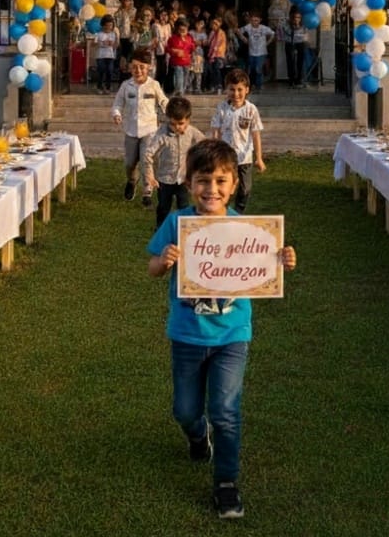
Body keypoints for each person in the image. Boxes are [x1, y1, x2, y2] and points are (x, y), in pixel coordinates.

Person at [147, 138, 297, 521]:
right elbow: (151, 266)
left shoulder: (248, 230)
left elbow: (266, 267)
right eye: (202, 181)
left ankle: (226, 483)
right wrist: (164, 261)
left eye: (219, 181)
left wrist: (282, 258)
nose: (211, 189)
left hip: (232, 335)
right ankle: (197, 437)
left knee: (225, 411)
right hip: (186, 333)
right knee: (185, 410)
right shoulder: (177, 222)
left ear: (233, 185)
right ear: (188, 182)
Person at [111, 48, 168, 206]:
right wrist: (116, 114)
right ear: (130, 67)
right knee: (130, 163)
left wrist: (172, 113)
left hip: (149, 130)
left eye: (142, 67)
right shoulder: (126, 85)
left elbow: (164, 102)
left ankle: (147, 190)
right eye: (135, 67)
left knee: (146, 160)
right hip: (130, 130)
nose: (138, 70)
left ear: (149, 67)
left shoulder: (154, 85)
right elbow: (117, 103)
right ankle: (131, 181)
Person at [142, 95, 205, 227]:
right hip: (164, 179)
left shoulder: (192, 132)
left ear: (188, 120)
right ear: (167, 119)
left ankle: (184, 233)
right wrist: (150, 176)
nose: (176, 127)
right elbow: (148, 154)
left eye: (180, 124)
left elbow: (205, 144)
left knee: (184, 207)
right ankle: (160, 233)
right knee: (164, 208)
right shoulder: (162, 133)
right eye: (172, 123)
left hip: (183, 179)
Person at [210, 68, 265, 212]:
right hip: (226, 157)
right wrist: (214, 152)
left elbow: (255, 134)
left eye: (240, 89)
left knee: (245, 188)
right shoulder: (222, 108)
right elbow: (216, 130)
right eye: (232, 89)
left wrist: (259, 158)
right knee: (225, 186)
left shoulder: (251, 109)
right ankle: (223, 210)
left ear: (247, 90)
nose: (236, 94)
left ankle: (239, 212)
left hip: (244, 157)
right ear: (226, 90)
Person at [238, 11, 275, 91]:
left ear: (260, 20)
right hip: (252, 52)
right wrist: (244, 39)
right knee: (252, 69)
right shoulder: (248, 27)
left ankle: (259, 84)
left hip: (261, 52)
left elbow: (272, 33)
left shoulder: (264, 28)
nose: (254, 22)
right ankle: (252, 84)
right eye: (252, 20)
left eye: (256, 20)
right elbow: (239, 31)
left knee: (258, 68)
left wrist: (268, 42)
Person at [166, 17, 197, 96]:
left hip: (186, 62)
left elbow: (192, 48)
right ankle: (179, 91)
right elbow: (167, 48)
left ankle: (182, 91)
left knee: (186, 77)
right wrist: (174, 51)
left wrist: (194, 54)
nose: (183, 31)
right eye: (181, 29)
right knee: (179, 75)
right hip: (176, 62)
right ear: (177, 29)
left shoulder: (189, 38)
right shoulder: (173, 38)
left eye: (185, 29)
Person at [92, 15, 119, 95]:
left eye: (110, 25)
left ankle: (108, 87)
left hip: (110, 55)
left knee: (110, 71)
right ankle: (99, 87)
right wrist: (101, 43)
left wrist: (114, 42)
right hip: (100, 55)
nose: (108, 27)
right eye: (107, 25)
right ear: (103, 25)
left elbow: (115, 46)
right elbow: (93, 44)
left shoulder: (113, 34)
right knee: (101, 70)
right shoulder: (98, 34)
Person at [282, 9, 308, 89]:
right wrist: (294, 26)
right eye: (295, 17)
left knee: (300, 61)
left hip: (300, 43)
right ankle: (291, 79)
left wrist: (299, 26)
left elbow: (305, 32)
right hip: (290, 43)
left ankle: (299, 79)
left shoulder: (304, 24)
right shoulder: (286, 23)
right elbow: (287, 31)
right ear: (291, 17)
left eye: (298, 17)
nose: (296, 19)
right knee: (290, 61)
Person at [114, 0, 136, 83]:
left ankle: (131, 80)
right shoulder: (118, 13)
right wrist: (117, 39)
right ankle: (122, 81)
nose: (126, 2)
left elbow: (136, 25)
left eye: (128, 0)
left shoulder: (134, 11)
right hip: (122, 38)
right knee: (122, 59)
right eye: (124, 0)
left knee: (131, 59)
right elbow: (116, 27)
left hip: (132, 38)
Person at [206, 17, 228, 95]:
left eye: (216, 24)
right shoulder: (212, 33)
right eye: (213, 24)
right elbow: (208, 43)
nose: (214, 25)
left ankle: (219, 87)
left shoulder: (221, 33)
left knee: (217, 71)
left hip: (218, 55)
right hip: (212, 54)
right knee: (212, 72)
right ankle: (214, 86)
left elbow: (219, 44)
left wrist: (214, 53)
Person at [152, 10, 173, 92]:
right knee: (159, 70)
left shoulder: (168, 26)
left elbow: (170, 37)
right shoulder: (155, 25)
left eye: (165, 15)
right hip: (158, 50)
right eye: (162, 15)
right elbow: (154, 37)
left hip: (167, 50)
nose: (164, 17)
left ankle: (164, 87)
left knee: (166, 70)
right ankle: (158, 87)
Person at [190, 18, 208, 94]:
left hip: (199, 55)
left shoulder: (204, 34)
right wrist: (196, 42)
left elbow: (205, 43)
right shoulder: (191, 32)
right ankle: (189, 87)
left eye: (201, 24)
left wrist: (200, 42)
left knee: (199, 72)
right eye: (198, 24)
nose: (199, 25)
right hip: (191, 54)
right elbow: (189, 42)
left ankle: (197, 88)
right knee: (191, 72)